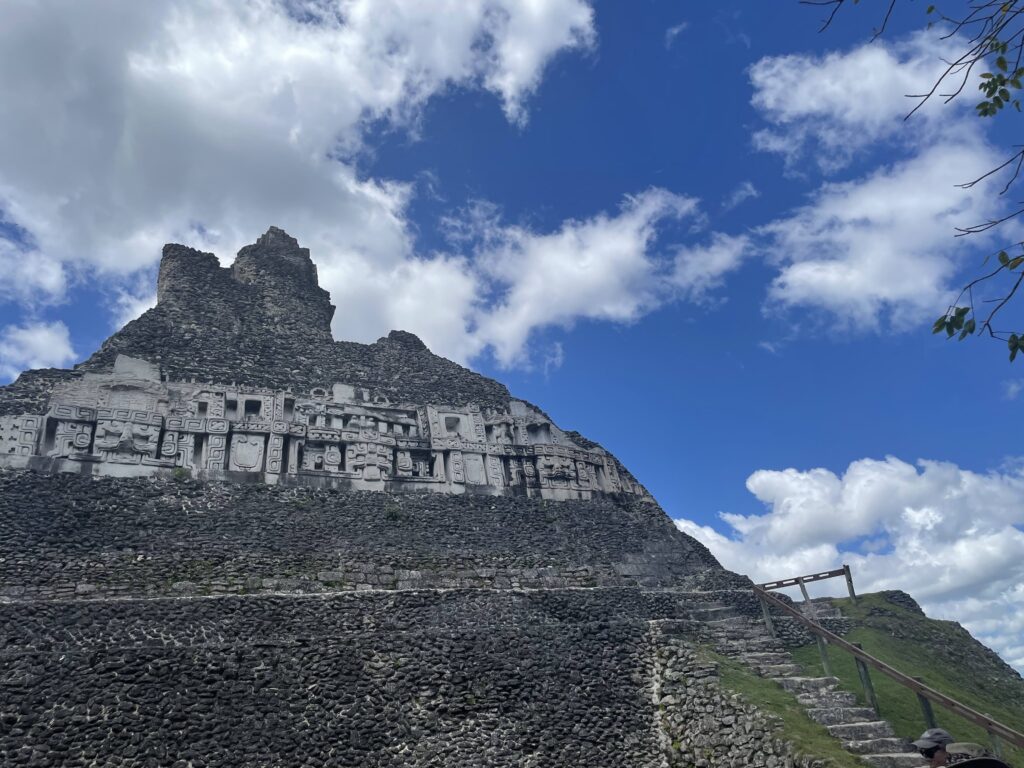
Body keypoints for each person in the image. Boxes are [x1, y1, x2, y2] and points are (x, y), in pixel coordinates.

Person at [912, 728, 1011, 767]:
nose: (927, 757)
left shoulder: (963, 760)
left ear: (945, 748)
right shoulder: (950, 761)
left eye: (929, 752)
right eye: (923, 752)